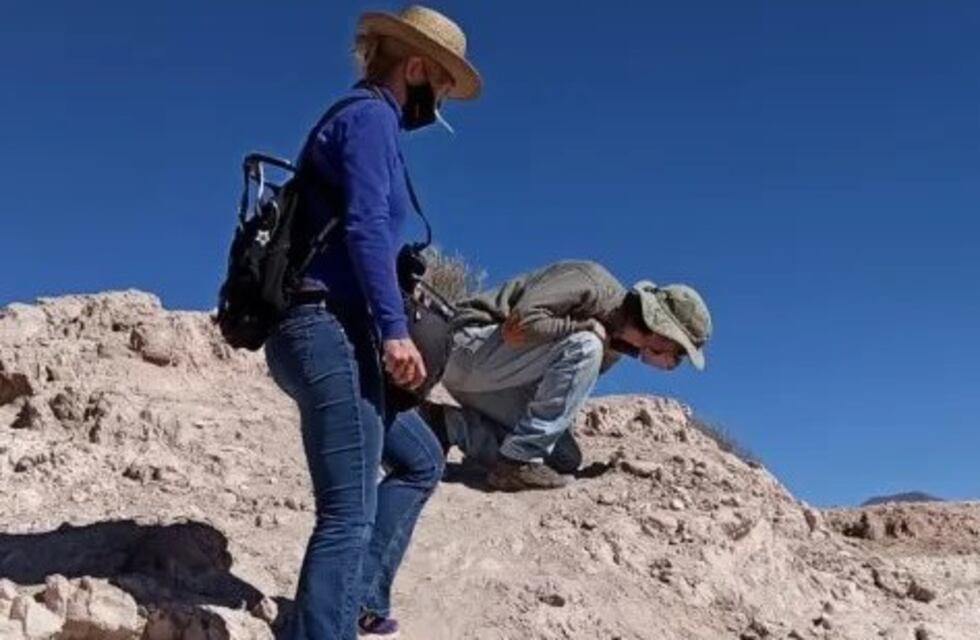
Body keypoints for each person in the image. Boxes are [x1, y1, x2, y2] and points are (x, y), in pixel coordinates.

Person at [263, 6, 481, 639]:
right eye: (439, 88)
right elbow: (364, 229)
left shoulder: (370, 123)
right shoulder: (368, 119)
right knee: (346, 513)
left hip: (337, 334)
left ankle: (355, 601)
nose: (436, 106)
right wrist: (394, 329)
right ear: (415, 67)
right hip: (321, 327)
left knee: (419, 460)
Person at [431, 260, 712, 492]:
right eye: (678, 351)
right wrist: (586, 327)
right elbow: (518, 326)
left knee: (564, 458)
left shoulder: (613, 350)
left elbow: (550, 390)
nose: (674, 361)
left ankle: (448, 426)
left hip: (495, 381)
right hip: (462, 349)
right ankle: (515, 464)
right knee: (588, 345)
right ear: (663, 331)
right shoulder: (591, 283)